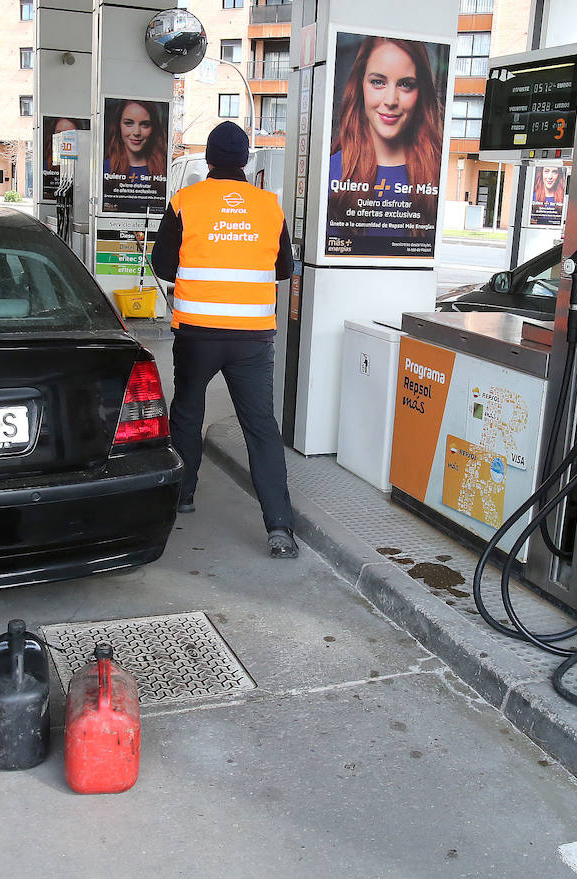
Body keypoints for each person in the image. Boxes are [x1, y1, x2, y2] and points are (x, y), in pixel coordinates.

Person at [151, 122, 298, 559]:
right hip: (253, 338)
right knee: (261, 429)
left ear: (209, 160)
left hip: (197, 334)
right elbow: (285, 268)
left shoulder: (185, 201)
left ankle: (184, 495)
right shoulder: (269, 206)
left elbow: (161, 264)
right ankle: (280, 529)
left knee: (188, 412)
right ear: (247, 161)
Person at [327, 36, 444, 239]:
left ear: (421, 92)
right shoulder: (334, 170)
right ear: (360, 86)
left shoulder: (436, 170)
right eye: (378, 82)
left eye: (405, 84)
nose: (390, 100)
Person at [102, 100, 168, 213]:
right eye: (129, 123)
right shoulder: (106, 168)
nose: (137, 132)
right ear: (119, 126)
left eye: (145, 125)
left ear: (153, 128)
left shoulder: (163, 168)